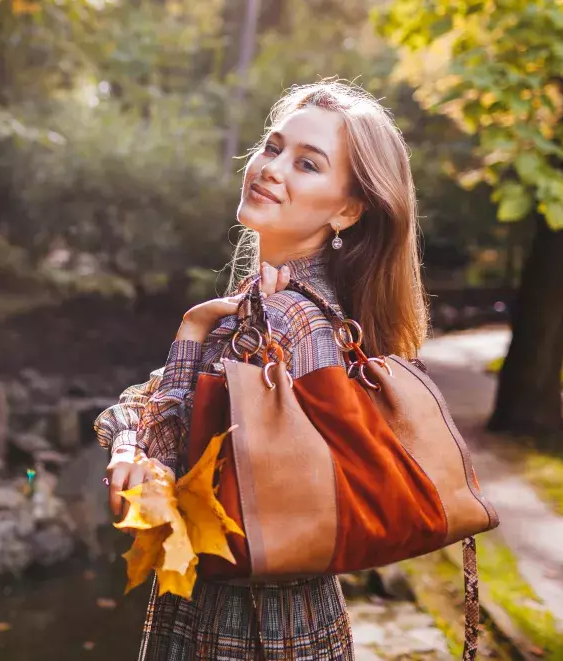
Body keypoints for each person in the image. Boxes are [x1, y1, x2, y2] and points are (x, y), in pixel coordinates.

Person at [94, 80, 429, 660]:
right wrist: (130, 438)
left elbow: (172, 468)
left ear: (348, 208)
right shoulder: (286, 302)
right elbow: (143, 406)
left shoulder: (286, 317)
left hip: (241, 630)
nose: (272, 168)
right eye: (272, 148)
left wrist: (190, 333)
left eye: (306, 163)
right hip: (288, 617)